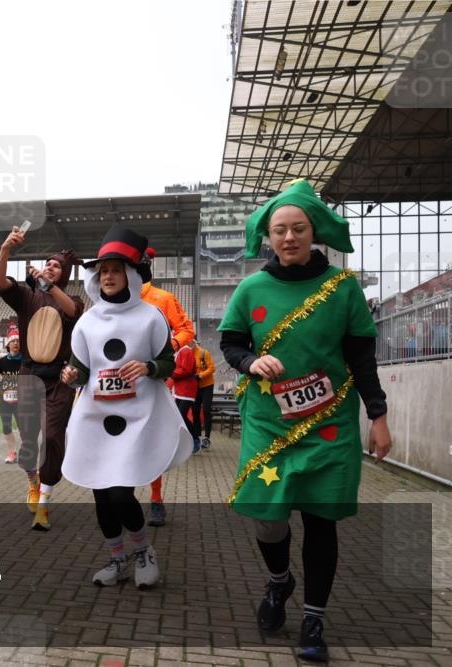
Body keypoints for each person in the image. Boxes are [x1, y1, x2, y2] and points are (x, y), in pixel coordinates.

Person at [218, 179, 391, 663]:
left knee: (320, 523)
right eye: (279, 230)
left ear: (314, 232)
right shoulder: (251, 288)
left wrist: (377, 416)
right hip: (269, 425)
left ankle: (313, 618)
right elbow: (231, 342)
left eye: (298, 228)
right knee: (267, 517)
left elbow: (362, 357)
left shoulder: (343, 288)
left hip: (329, 426)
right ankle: (279, 582)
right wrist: (251, 361)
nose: (289, 237)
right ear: (267, 237)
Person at [61, 225, 192, 589]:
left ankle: (143, 552)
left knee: (120, 493)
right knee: (102, 495)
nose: (107, 276)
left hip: (136, 418)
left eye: (115, 270)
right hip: (95, 417)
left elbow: (168, 362)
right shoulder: (87, 321)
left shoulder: (151, 317)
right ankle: (117, 559)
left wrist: (149, 367)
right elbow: (82, 369)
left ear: (131, 275)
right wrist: (71, 374)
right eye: (102, 271)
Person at [0, 226, 84, 531]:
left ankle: (43, 503)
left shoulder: (73, 302)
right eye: (47, 263)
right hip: (29, 377)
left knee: (53, 436)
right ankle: (31, 481)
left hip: (59, 379)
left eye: (57, 265)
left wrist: (48, 285)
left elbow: (71, 311)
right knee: (29, 441)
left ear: (65, 274)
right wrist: (5, 249)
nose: (49, 267)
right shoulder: (26, 296)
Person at [140, 247, 196, 527]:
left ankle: (156, 499)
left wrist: (168, 347)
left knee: (151, 441)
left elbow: (187, 330)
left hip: (153, 380)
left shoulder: (163, 298)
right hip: (116, 381)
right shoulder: (109, 298)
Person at [0, 328, 23, 463]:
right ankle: (12, 452)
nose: (16, 343)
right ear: (8, 344)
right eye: (13, 341)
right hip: (5, 401)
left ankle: (27, 450)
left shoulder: (26, 361)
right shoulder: (1, 362)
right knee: (6, 427)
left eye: (18, 341)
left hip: (22, 401)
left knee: (24, 426)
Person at [171, 337, 200, 453]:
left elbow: (185, 370)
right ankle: (186, 441)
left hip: (186, 390)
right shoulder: (181, 351)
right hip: (180, 390)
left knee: (181, 417)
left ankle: (195, 439)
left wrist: (169, 372)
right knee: (179, 417)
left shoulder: (186, 351)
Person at [193, 340, 216, 448]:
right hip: (195, 387)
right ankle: (197, 436)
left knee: (206, 410)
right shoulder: (186, 353)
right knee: (195, 411)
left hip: (207, 385)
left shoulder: (203, 353)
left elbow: (212, 368)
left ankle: (207, 437)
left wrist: (200, 375)